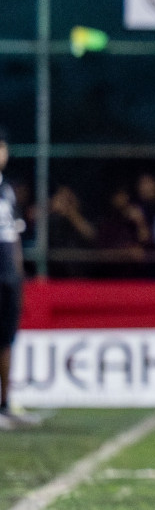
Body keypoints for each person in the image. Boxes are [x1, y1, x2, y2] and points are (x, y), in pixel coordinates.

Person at [0, 128, 37, 430]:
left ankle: (5, 403)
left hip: (8, 277)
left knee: (6, 339)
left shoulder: (7, 190)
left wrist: (19, 274)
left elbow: (13, 237)